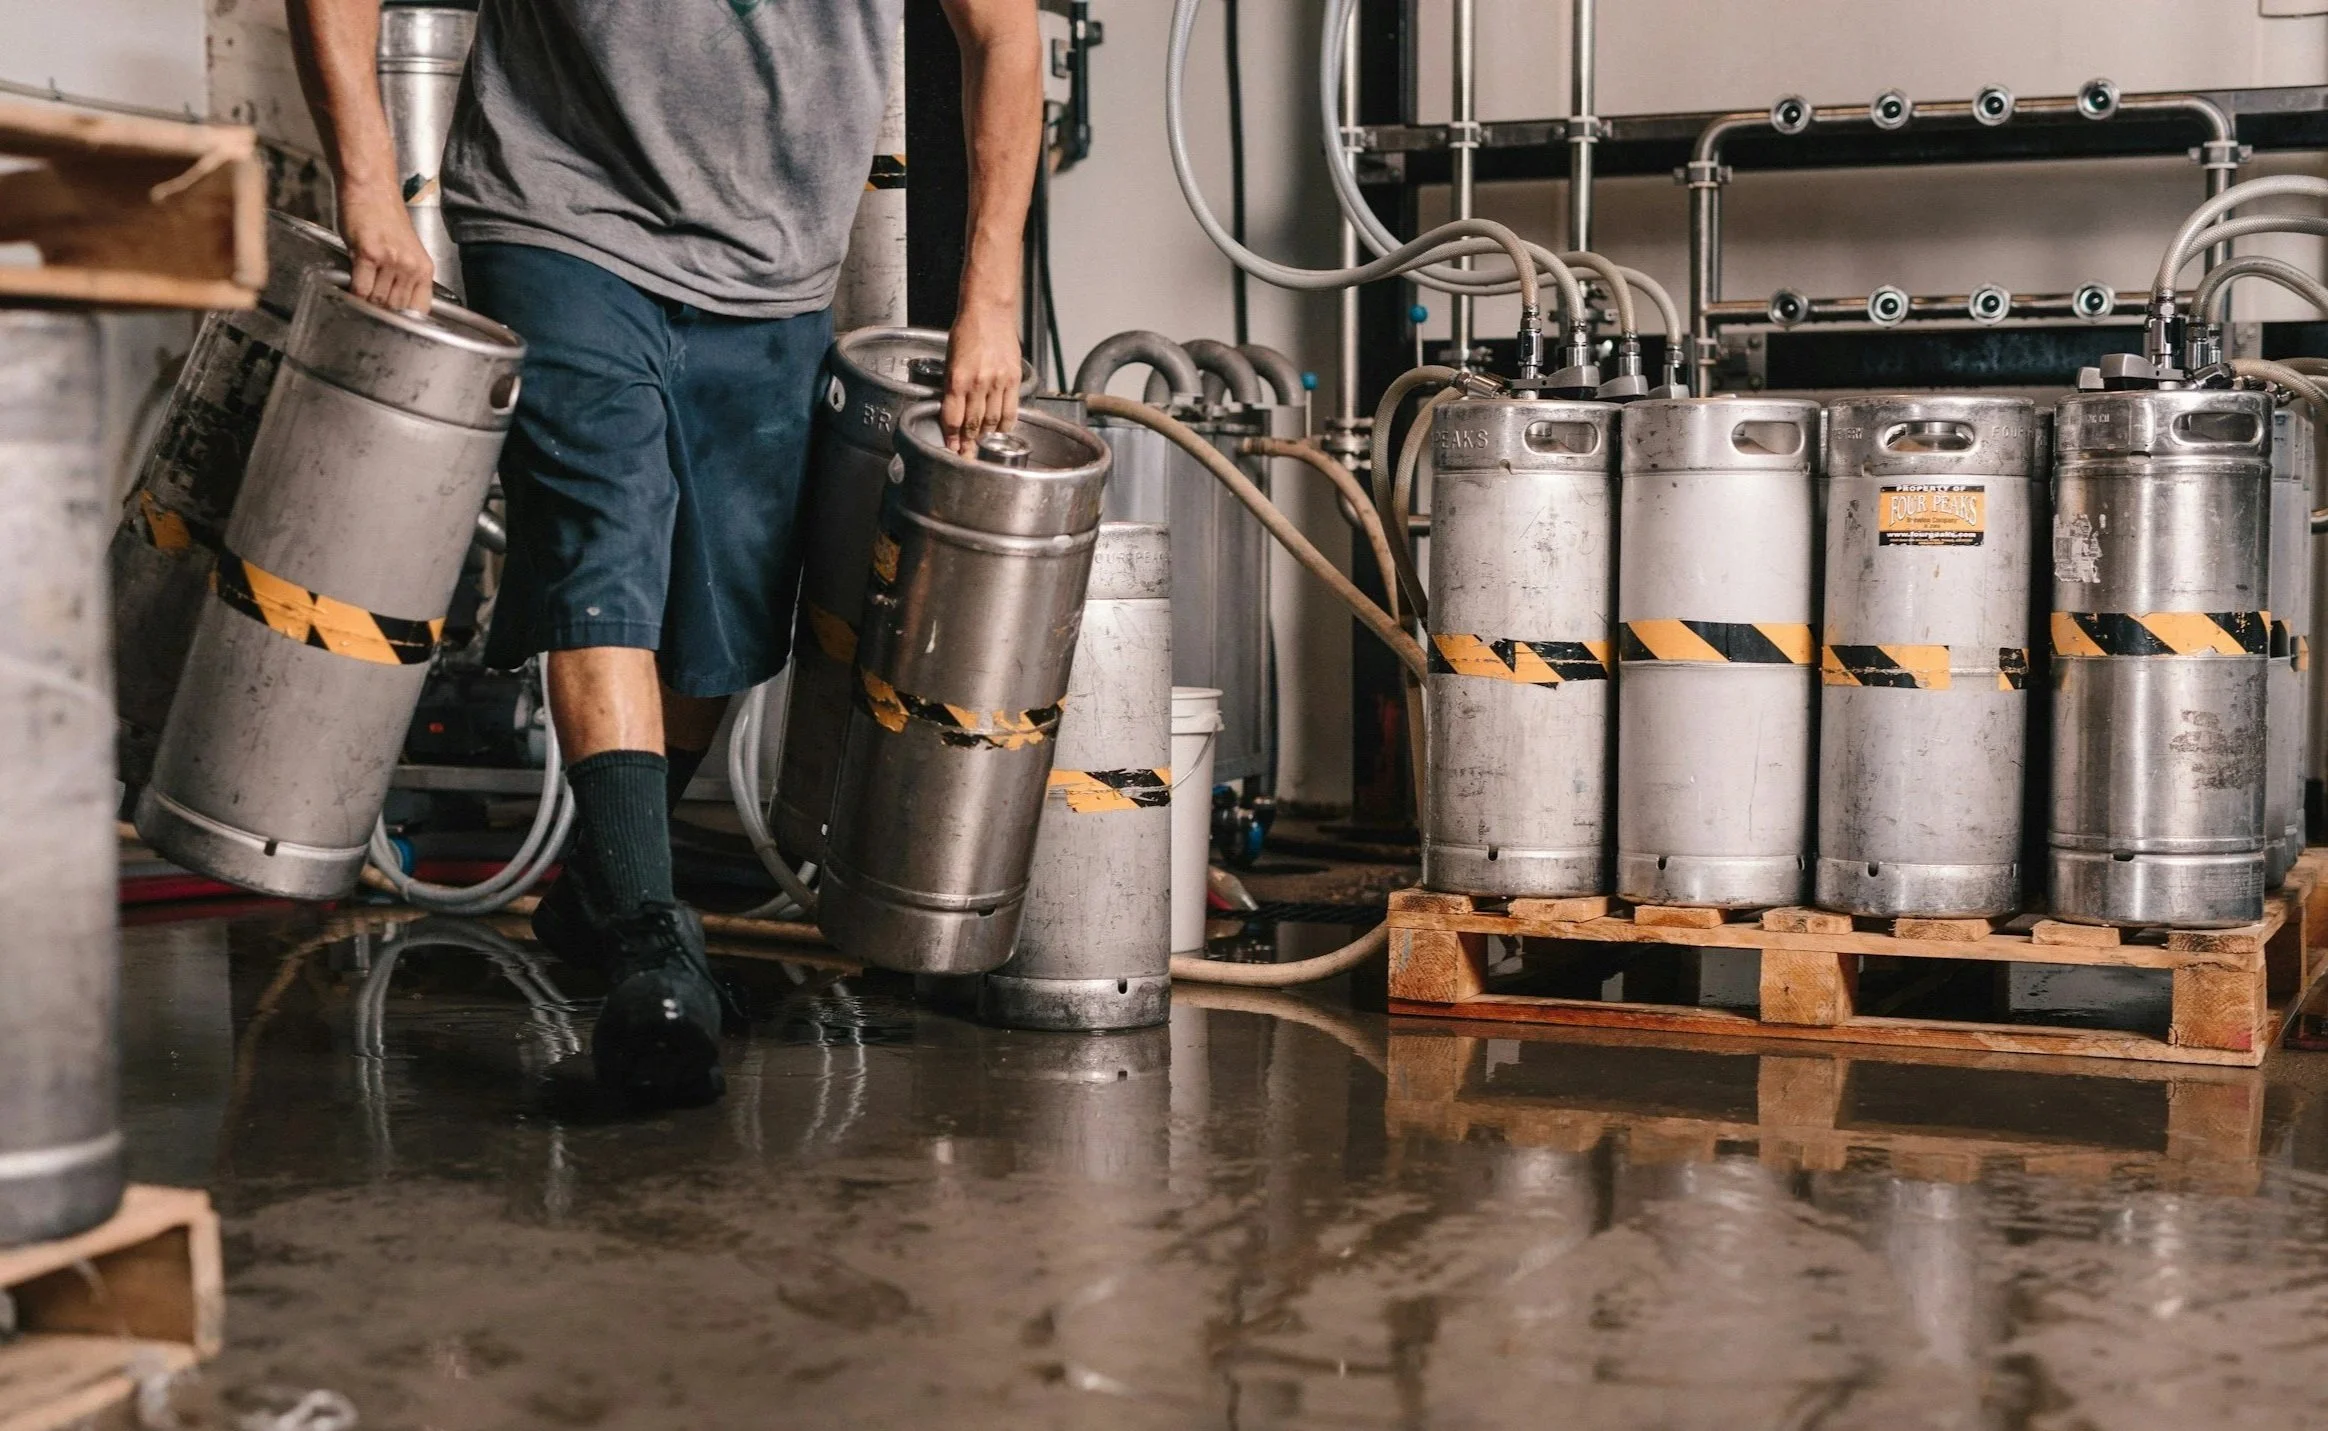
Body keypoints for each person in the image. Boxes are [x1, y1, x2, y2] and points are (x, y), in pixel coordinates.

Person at [287, 0, 1042, 1106]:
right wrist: (368, 183)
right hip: (559, 212)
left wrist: (990, 299)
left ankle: (604, 882)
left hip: (776, 265)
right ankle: (650, 941)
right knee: (607, 544)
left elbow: (1005, 34)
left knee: (725, 620)